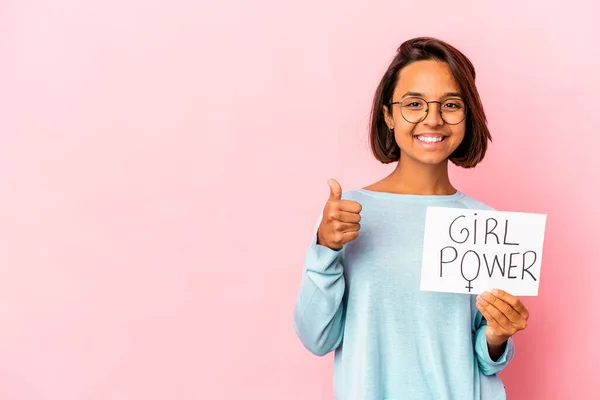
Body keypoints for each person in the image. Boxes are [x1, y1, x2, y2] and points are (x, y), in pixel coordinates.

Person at [292, 37, 530, 400]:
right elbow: (316, 338)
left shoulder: (486, 222)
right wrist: (325, 250)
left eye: (450, 104)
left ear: (467, 115)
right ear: (388, 115)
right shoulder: (346, 216)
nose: (432, 118)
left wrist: (499, 335)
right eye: (414, 104)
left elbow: (485, 359)